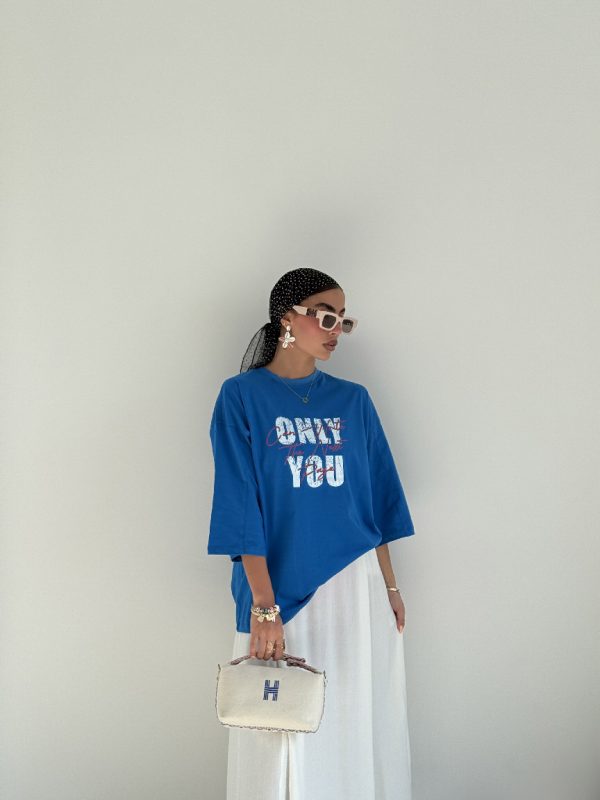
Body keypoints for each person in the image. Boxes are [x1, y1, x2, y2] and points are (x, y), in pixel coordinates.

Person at [207, 267, 416, 799]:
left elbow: (375, 500)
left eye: (343, 320)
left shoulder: (354, 400)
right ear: (287, 319)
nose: (335, 329)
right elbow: (240, 506)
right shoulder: (241, 396)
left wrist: (390, 586)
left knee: (348, 714)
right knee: (276, 722)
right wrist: (264, 606)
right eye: (325, 316)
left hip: (352, 583)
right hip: (279, 588)